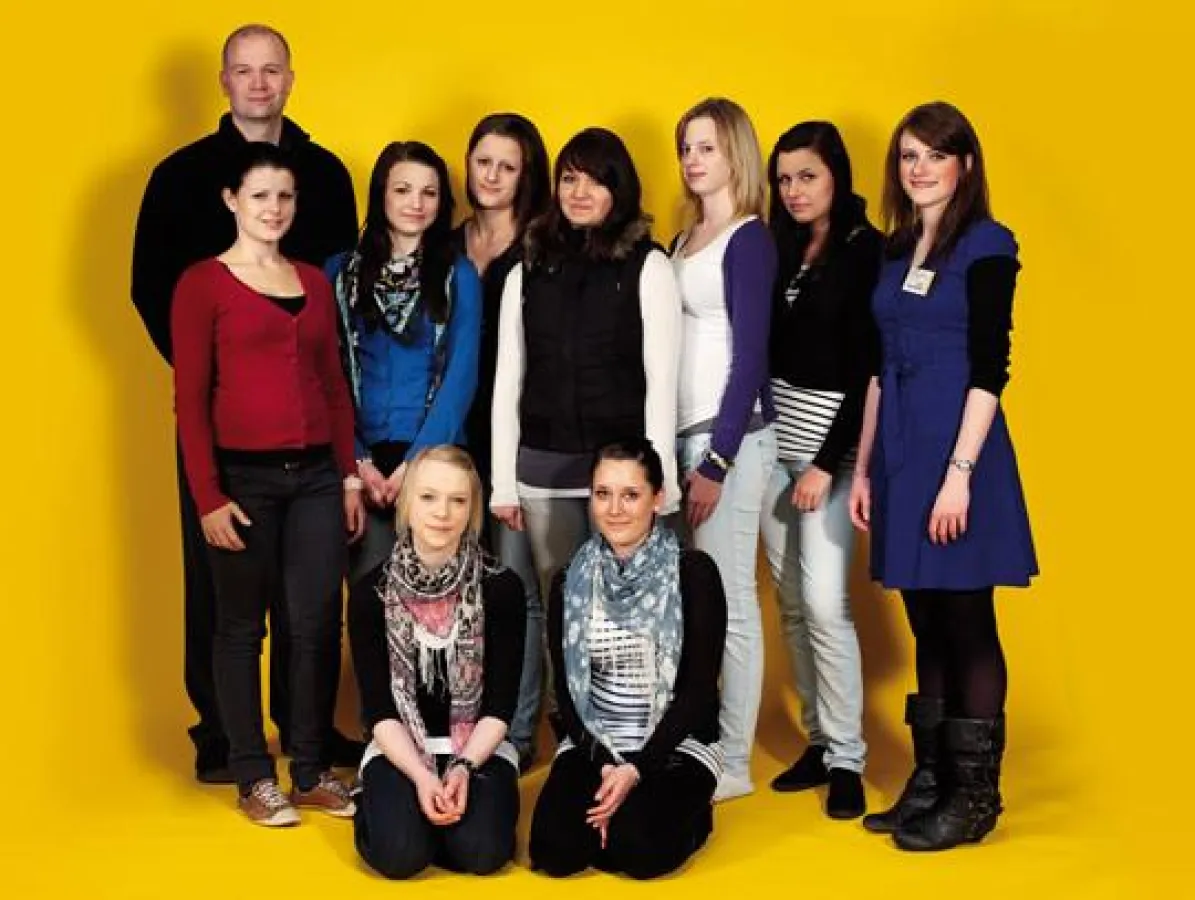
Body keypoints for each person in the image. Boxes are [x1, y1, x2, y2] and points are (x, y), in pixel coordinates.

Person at [131, 23, 361, 781]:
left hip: (308, 429)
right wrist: (225, 383)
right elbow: (151, 290)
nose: (258, 84)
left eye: (271, 71)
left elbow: (336, 298)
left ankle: (308, 736)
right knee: (219, 590)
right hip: (219, 423)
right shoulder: (178, 177)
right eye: (243, 71)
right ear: (224, 81)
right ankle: (224, 737)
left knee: (308, 596)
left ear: (291, 78)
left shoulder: (325, 175)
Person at [849, 101, 1037, 851]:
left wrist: (959, 474)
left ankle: (974, 796)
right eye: (906, 157)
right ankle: (930, 782)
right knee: (923, 614)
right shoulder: (894, 254)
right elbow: (872, 368)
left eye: (933, 154)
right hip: (897, 450)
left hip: (958, 452)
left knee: (965, 617)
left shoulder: (987, 246)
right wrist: (862, 468)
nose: (918, 169)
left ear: (964, 163)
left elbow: (991, 369)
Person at [171, 141, 364, 826]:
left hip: (314, 476)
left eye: (284, 197)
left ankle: (309, 769)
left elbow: (334, 389)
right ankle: (254, 774)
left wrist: (345, 476)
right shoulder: (201, 284)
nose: (274, 209)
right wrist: (207, 497)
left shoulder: (313, 282)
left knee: (313, 624)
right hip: (241, 481)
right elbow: (189, 401)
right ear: (232, 201)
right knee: (239, 628)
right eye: (259, 196)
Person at [490, 126, 682, 610]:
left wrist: (662, 481)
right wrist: (502, 482)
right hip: (543, 468)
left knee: (623, 607)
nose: (580, 193)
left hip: (622, 473)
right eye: (569, 179)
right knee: (558, 606)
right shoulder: (527, 268)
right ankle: (559, 693)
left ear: (618, 190)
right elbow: (508, 380)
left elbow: (661, 383)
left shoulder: (648, 266)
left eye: (595, 181)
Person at [529, 439, 726, 879]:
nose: (615, 509)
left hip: (675, 745)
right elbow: (566, 692)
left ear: (657, 499)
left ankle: (693, 814)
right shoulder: (569, 581)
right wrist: (604, 765)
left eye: (631, 495)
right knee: (554, 853)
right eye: (603, 494)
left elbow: (697, 693)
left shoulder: (694, 574)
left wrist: (637, 768)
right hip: (597, 742)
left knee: (639, 853)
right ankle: (623, 814)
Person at [758, 121, 882, 819]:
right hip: (769, 447)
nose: (794, 190)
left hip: (823, 452)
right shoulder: (778, 247)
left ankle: (846, 759)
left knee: (828, 604)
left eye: (807, 175)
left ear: (836, 173)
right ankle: (816, 740)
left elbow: (867, 367)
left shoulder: (865, 250)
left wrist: (828, 464)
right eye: (783, 178)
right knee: (793, 604)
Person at [326, 142, 481, 661]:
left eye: (429, 192)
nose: (416, 202)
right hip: (361, 463)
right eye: (402, 189)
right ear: (381, 195)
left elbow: (461, 374)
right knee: (372, 600)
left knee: (441, 604)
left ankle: (442, 728)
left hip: (432, 460)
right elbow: (326, 378)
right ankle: (384, 728)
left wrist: (416, 466)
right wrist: (357, 462)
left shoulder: (459, 275)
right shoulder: (339, 273)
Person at [348, 447, 525, 878]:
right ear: (407, 502)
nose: (442, 513)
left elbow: (500, 708)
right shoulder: (371, 593)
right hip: (403, 748)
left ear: (472, 509)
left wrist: (463, 768)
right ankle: (390, 809)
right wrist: (424, 779)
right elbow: (380, 711)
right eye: (428, 497)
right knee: (401, 856)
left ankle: (447, 824)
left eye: (457, 500)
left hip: (478, 748)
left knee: (482, 855)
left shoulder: (502, 588)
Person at [670, 98, 777, 801]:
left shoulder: (748, 237)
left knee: (732, 599)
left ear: (734, 151)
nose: (691, 159)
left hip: (725, 439)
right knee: (699, 600)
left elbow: (750, 357)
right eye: (684, 147)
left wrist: (718, 460)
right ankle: (707, 736)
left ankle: (734, 760)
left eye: (705, 146)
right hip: (685, 435)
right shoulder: (686, 239)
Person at [452, 114, 552, 768]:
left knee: (516, 585)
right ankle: (457, 723)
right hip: (451, 432)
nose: (490, 176)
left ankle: (515, 731)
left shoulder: (545, 245)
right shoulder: (444, 239)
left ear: (526, 175)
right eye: (481, 161)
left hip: (518, 431)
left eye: (506, 165)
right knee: (455, 585)